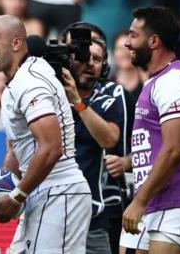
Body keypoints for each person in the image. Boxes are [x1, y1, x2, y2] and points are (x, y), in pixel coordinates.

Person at [0, 14, 91, 253]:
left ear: (16, 43)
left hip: (59, 191)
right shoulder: (17, 81)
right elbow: (16, 147)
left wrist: (16, 197)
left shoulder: (30, 81)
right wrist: (4, 188)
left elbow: (51, 147)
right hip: (41, 191)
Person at [121, 6, 180, 254]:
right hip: (152, 199)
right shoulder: (155, 81)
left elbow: (174, 149)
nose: (127, 43)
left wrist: (139, 200)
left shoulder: (174, 81)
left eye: (133, 35)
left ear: (153, 41)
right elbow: (157, 146)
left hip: (179, 201)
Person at [60, 23, 125, 254]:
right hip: (49, 212)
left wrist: (77, 102)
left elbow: (109, 139)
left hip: (92, 218)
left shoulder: (111, 95)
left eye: (97, 60)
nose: (90, 64)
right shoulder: (46, 91)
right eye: (84, 56)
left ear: (104, 66)